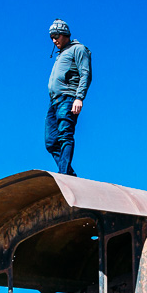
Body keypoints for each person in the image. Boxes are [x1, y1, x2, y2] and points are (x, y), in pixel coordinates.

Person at [44, 18, 91, 176]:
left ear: (64, 34)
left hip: (68, 98)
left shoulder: (78, 49)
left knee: (65, 135)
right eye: (51, 37)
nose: (54, 39)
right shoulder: (60, 53)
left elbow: (85, 74)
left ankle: (64, 175)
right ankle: (69, 174)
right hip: (54, 102)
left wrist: (79, 97)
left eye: (56, 35)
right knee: (50, 142)